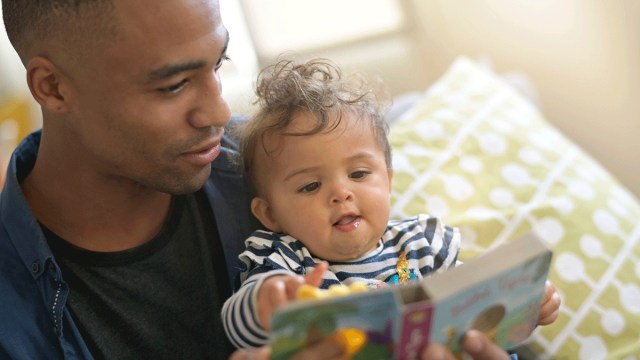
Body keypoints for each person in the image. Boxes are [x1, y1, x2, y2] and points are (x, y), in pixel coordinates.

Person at [0, 0, 547, 359]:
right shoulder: (12, 309)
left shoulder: (281, 160)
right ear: (51, 87)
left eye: (218, 66)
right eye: (172, 86)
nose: (217, 111)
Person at [221, 58, 561, 353]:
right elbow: (239, 328)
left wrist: (526, 307)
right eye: (310, 185)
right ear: (270, 214)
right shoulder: (286, 262)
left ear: (388, 181)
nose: (341, 194)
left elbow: (476, 318)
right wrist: (265, 301)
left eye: (358, 173)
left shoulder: (420, 245)